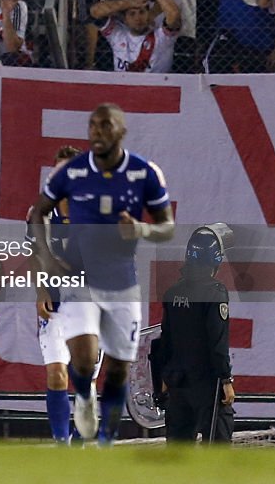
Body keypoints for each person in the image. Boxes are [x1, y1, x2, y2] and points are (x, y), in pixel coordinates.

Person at [29, 103, 175, 444]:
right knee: (74, 364)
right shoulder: (69, 179)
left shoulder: (144, 172)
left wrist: (140, 230)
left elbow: (167, 227)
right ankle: (74, 422)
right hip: (74, 290)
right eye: (92, 127)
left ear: (120, 132)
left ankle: (100, 441)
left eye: (105, 126)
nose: (98, 133)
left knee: (117, 367)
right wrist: (46, 271)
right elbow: (36, 219)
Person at [154, 224, 235, 443]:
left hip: (177, 384)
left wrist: (163, 378)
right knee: (217, 452)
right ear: (215, 259)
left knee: (178, 455)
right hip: (207, 385)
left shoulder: (174, 292)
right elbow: (217, 343)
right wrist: (225, 379)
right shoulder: (215, 293)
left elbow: (165, 341)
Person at [24, 144, 81, 443]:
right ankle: (62, 443)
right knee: (57, 373)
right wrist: (40, 290)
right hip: (56, 304)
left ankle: (81, 443)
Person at [89, 0, 182, 73]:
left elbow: (174, 14)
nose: (138, 18)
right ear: (125, 19)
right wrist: (129, 2)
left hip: (156, 87)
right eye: (132, 14)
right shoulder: (117, 33)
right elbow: (95, 11)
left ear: (149, 13)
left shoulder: (162, 37)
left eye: (142, 12)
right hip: (124, 87)